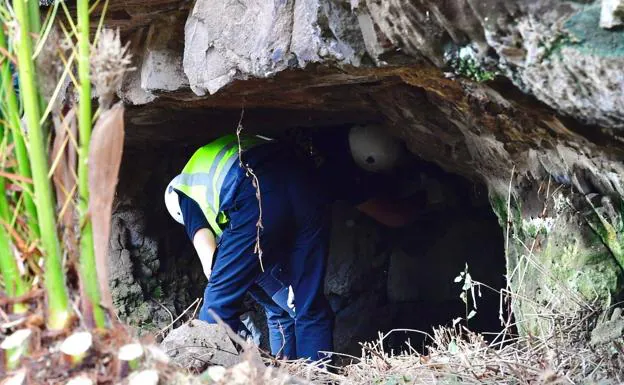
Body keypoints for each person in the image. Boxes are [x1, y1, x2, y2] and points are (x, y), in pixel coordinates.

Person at [164, 134, 333, 361]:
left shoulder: (185, 195)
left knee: (216, 307)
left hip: (256, 188)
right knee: (309, 304)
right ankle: (315, 375)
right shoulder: (214, 155)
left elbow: (211, 265)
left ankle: (217, 373)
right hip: (306, 179)